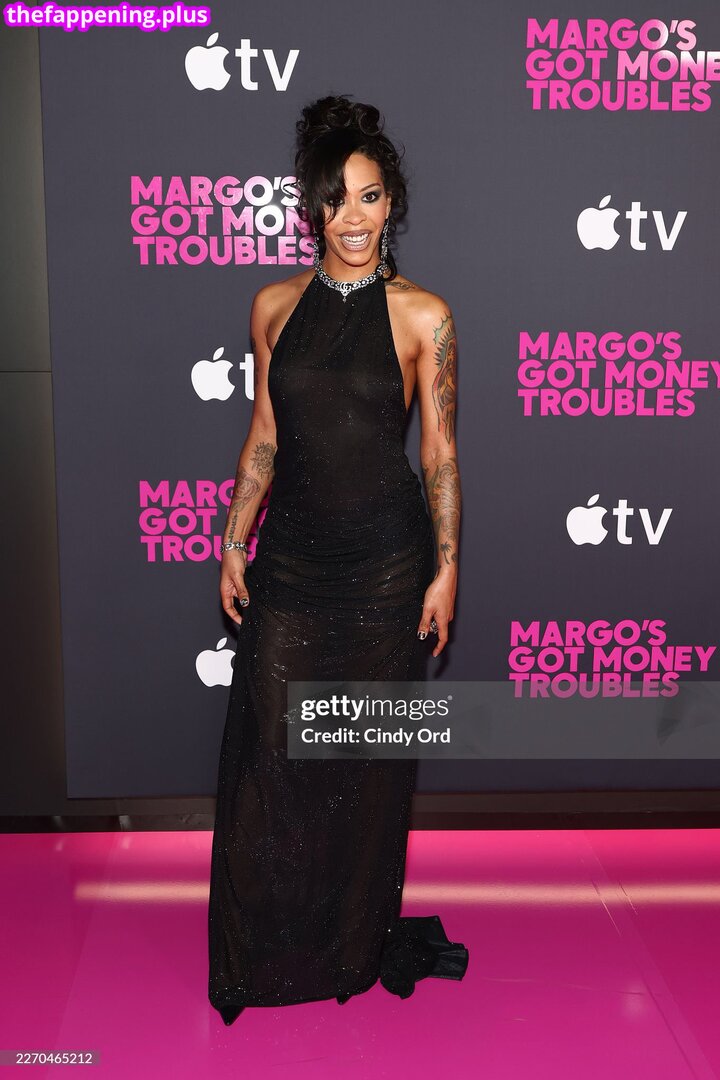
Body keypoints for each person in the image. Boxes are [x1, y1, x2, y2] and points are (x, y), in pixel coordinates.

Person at [207, 94, 468, 1026]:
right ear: (309, 209)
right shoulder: (272, 307)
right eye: (334, 200)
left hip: (387, 567)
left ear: (392, 201)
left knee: (365, 767)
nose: (352, 218)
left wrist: (447, 567)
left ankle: (350, 943)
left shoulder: (426, 316)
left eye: (369, 197)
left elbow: (439, 455)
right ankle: (271, 948)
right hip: (292, 563)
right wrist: (233, 540)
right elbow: (263, 436)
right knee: (271, 761)